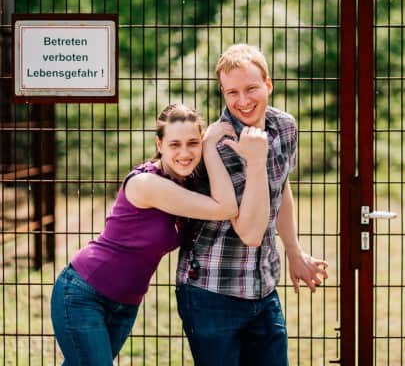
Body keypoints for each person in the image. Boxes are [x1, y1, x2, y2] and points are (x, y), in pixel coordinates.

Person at [50, 103, 269, 366]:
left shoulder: (185, 182)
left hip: (125, 305)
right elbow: (226, 207)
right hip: (84, 293)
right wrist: (210, 147)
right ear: (160, 144)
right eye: (175, 144)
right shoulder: (147, 184)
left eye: (193, 143)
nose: (185, 153)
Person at [175, 44, 329, 366]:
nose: (242, 101)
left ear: (268, 84)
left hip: (263, 287)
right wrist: (256, 161)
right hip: (212, 289)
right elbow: (251, 232)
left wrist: (294, 251)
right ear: (222, 93)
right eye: (232, 92)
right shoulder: (216, 144)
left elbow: (280, 187)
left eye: (251, 89)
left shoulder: (285, 126)